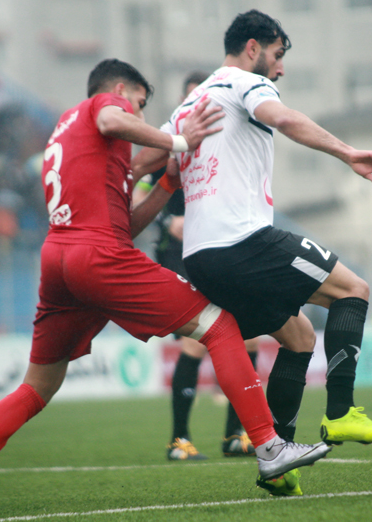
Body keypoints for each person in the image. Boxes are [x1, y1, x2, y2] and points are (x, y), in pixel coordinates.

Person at [0, 59, 331, 512]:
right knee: (220, 325)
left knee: (36, 387)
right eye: (139, 104)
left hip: (60, 258)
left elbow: (125, 224)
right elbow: (111, 119)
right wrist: (180, 140)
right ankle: (270, 448)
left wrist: (167, 182)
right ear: (121, 89)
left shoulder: (69, 134)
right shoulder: (104, 107)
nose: (138, 116)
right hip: (96, 255)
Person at [132, 10, 372, 496]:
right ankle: (341, 412)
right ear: (253, 48)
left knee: (299, 336)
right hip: (242, 241)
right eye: (278, 56)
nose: (280, 68)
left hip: (200, 258)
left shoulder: (188, 105)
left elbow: (139, 164)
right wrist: (347, 153)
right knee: (354, 289)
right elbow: (283, 118)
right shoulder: (244, 82)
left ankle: (278, 462)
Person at [134, 70, 259, 461]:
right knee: (197, 337)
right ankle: (179, 440)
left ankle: (235, 435)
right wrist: (164, 221)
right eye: (191, 99)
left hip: (222, 247)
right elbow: (135, 192)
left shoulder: (229, 141)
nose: (198, 105)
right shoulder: (168, 142)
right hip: (180, 254)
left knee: (251, 336)